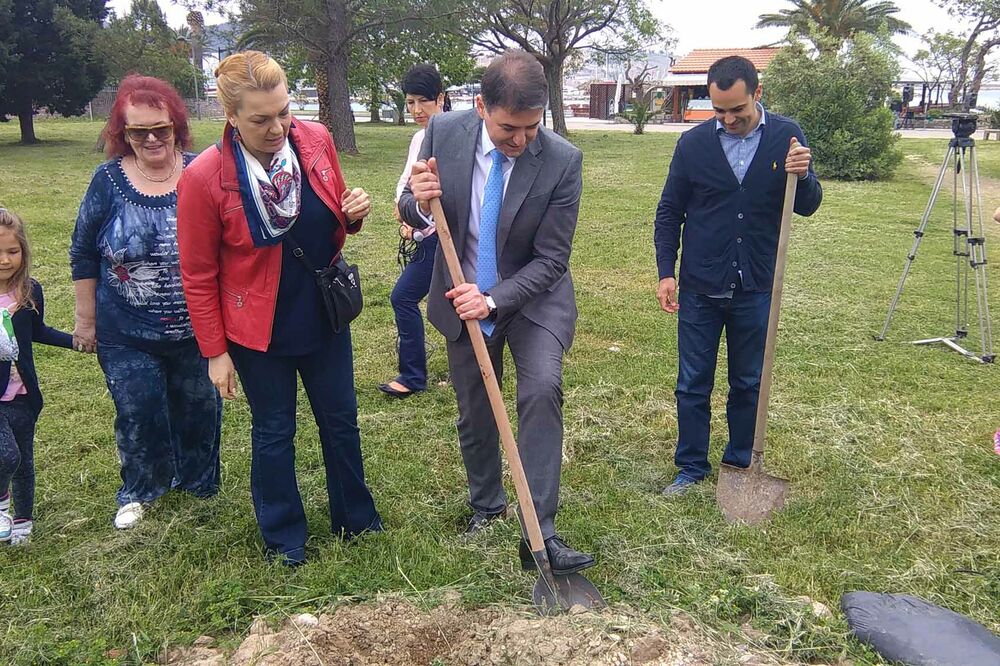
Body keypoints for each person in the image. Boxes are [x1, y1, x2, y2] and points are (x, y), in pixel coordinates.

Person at [177, 51, 382, 565]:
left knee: (341, 420)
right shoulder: (204, 178)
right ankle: (284, 537)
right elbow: (198, 275)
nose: (278, 128)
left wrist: (353, 213)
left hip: (323, 311)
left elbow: (331, 217)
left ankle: (356, 519)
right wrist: (215, 352)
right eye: (261, 119)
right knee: (274, 431)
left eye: (284, 112)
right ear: (231, 118)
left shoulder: (316, 141)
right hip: (256, 326)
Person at [399, 49, 594, 575]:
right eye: (511, 127)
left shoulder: (561, 160)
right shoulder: (442, 132)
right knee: (476, 407)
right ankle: (486, 504)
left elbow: (553, 260)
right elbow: (411, 208)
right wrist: (418, 199)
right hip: (459, 295)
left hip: (532, 297)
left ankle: (541, 530)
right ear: (482, 107)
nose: (522, 140)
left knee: (540, 389)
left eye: (532, 128)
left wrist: (494, 298)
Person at [653, 55, 823, 495]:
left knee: (748, 382)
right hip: (700, 286)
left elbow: (807, 204)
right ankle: (691, 466)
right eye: (719, 111)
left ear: (758, 95)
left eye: (738, 111)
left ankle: (740, 460)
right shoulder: (692, 145)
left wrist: (802, 177)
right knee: (692, 383)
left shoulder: (787, 137)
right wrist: (665, 272)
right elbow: (670, 211)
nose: (728, 119)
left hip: (757, 285)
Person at [70, 75, 221, 530]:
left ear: (177, 125)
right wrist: (85, 319)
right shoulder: (107, 181)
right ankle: (141, 489)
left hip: (196, 329)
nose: (152, 138)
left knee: (199, 409)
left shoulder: (201, 172)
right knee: (139, 411)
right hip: (126, 331)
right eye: (139, 131)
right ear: (123, 133)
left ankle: (199, 485)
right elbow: (83, 251)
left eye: (161, 127)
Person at [0, 208, 76, 545]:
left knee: (25, 460)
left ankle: (23, 519)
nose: (5, 260)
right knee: (7, 455)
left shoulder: (31, 291)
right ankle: (1, 503)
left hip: (24, 396)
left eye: (12, 252)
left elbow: (38, 332)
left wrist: (77, 341)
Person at [378, 64, 445, 398]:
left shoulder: (447, 136)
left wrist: (421, 226)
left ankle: (413, 376)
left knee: (403, 297)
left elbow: (442, 195)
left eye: (424, 101)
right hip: (424, 234)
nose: (417, 110)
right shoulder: (421, 136)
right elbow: (409, 188)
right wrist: (408, 219)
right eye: (410, 102)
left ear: (441, 99)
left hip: (439, 239)